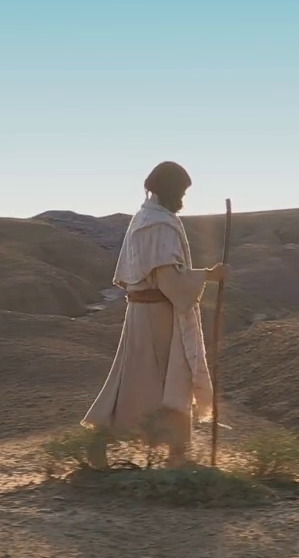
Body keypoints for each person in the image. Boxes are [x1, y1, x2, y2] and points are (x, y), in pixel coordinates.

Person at [80, 161, 227, 468]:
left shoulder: (144, 218)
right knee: (167, 380)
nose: (183, 199)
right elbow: (168, 279)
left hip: (144, 314)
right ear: (170, 190)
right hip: (158, 316)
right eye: (181, 192)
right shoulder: (159, 224)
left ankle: (163, 450)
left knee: (137, 381)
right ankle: (174, 454)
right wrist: (209, 276)